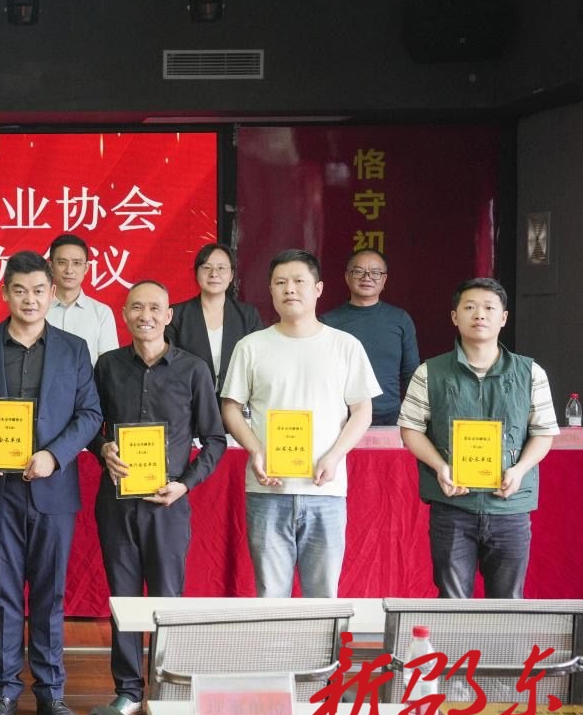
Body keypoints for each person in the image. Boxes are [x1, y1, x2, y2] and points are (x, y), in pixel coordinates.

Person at [0, 251, 102, 715]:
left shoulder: (74, 348)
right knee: (2, 594)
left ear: (52, 293)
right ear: (4, 293)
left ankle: (51, 692)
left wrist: (55, 455)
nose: (30, 299)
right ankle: (3, 692)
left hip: (52, 488)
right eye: (20, 290)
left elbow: (90, 414)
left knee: (49, 593)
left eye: (39, 290)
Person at [91, 281, 226, 715]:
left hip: (169, 503)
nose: (145, 316)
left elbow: (215, 440)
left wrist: (185, 484)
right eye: (136, 308)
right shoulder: (107, 366)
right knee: (124, 598)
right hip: (117, 502)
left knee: (168, 598)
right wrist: (102, 448)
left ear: (168, 316)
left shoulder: (193, 370)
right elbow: (90, 424)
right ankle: (129, 689)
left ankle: (168, 687)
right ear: (124, 314)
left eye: (154, 308)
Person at [220, 249, 380, 598]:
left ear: (318, 288)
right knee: (270, 595)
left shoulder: (345, 346)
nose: (289, 289)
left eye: (298, 281)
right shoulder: (251, 346)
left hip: (325, 490)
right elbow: (231, 407)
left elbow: (362, 411)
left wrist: (334, 457)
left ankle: (323, 643)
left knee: (323, 595)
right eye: (280, 282)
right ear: (271, 291)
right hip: (267, 490)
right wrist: (255, 450)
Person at [399, 278, 558, 599]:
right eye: (469, 307)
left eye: (489, 308)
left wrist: (519, 470)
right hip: (452, 507)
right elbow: (411, 429)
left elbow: (543, 433)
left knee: (508, 602)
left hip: (509, 507)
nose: (479, 315)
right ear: (455, 316)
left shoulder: (531, 373)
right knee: (452, 602)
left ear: (504, 317)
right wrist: (440, 467)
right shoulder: (429, 372)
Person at [321, 248, 420, 425]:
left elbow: (411, 373)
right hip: (341, 418)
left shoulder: (400, 319)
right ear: (347, 277)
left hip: (390, 417)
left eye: (375, 272)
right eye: (358, 271)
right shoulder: (328, 322)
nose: (367, 278)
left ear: (384, 279)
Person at [166, 243, 264, 393]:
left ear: (231, 275)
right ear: (196, 273)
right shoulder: (176, 315)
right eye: (206, 267)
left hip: (238, 400)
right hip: (188, 399)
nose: (214, 274)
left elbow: (259, 362)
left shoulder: (248, 315)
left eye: (221, 268)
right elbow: (168, 364)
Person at [45, 233, 119, 365]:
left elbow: (109, 365)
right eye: (62, 263)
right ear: (50, 267)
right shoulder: (37, 309)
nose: (69, 270)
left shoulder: (101, 312)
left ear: (86, 268)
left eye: (76, 263)